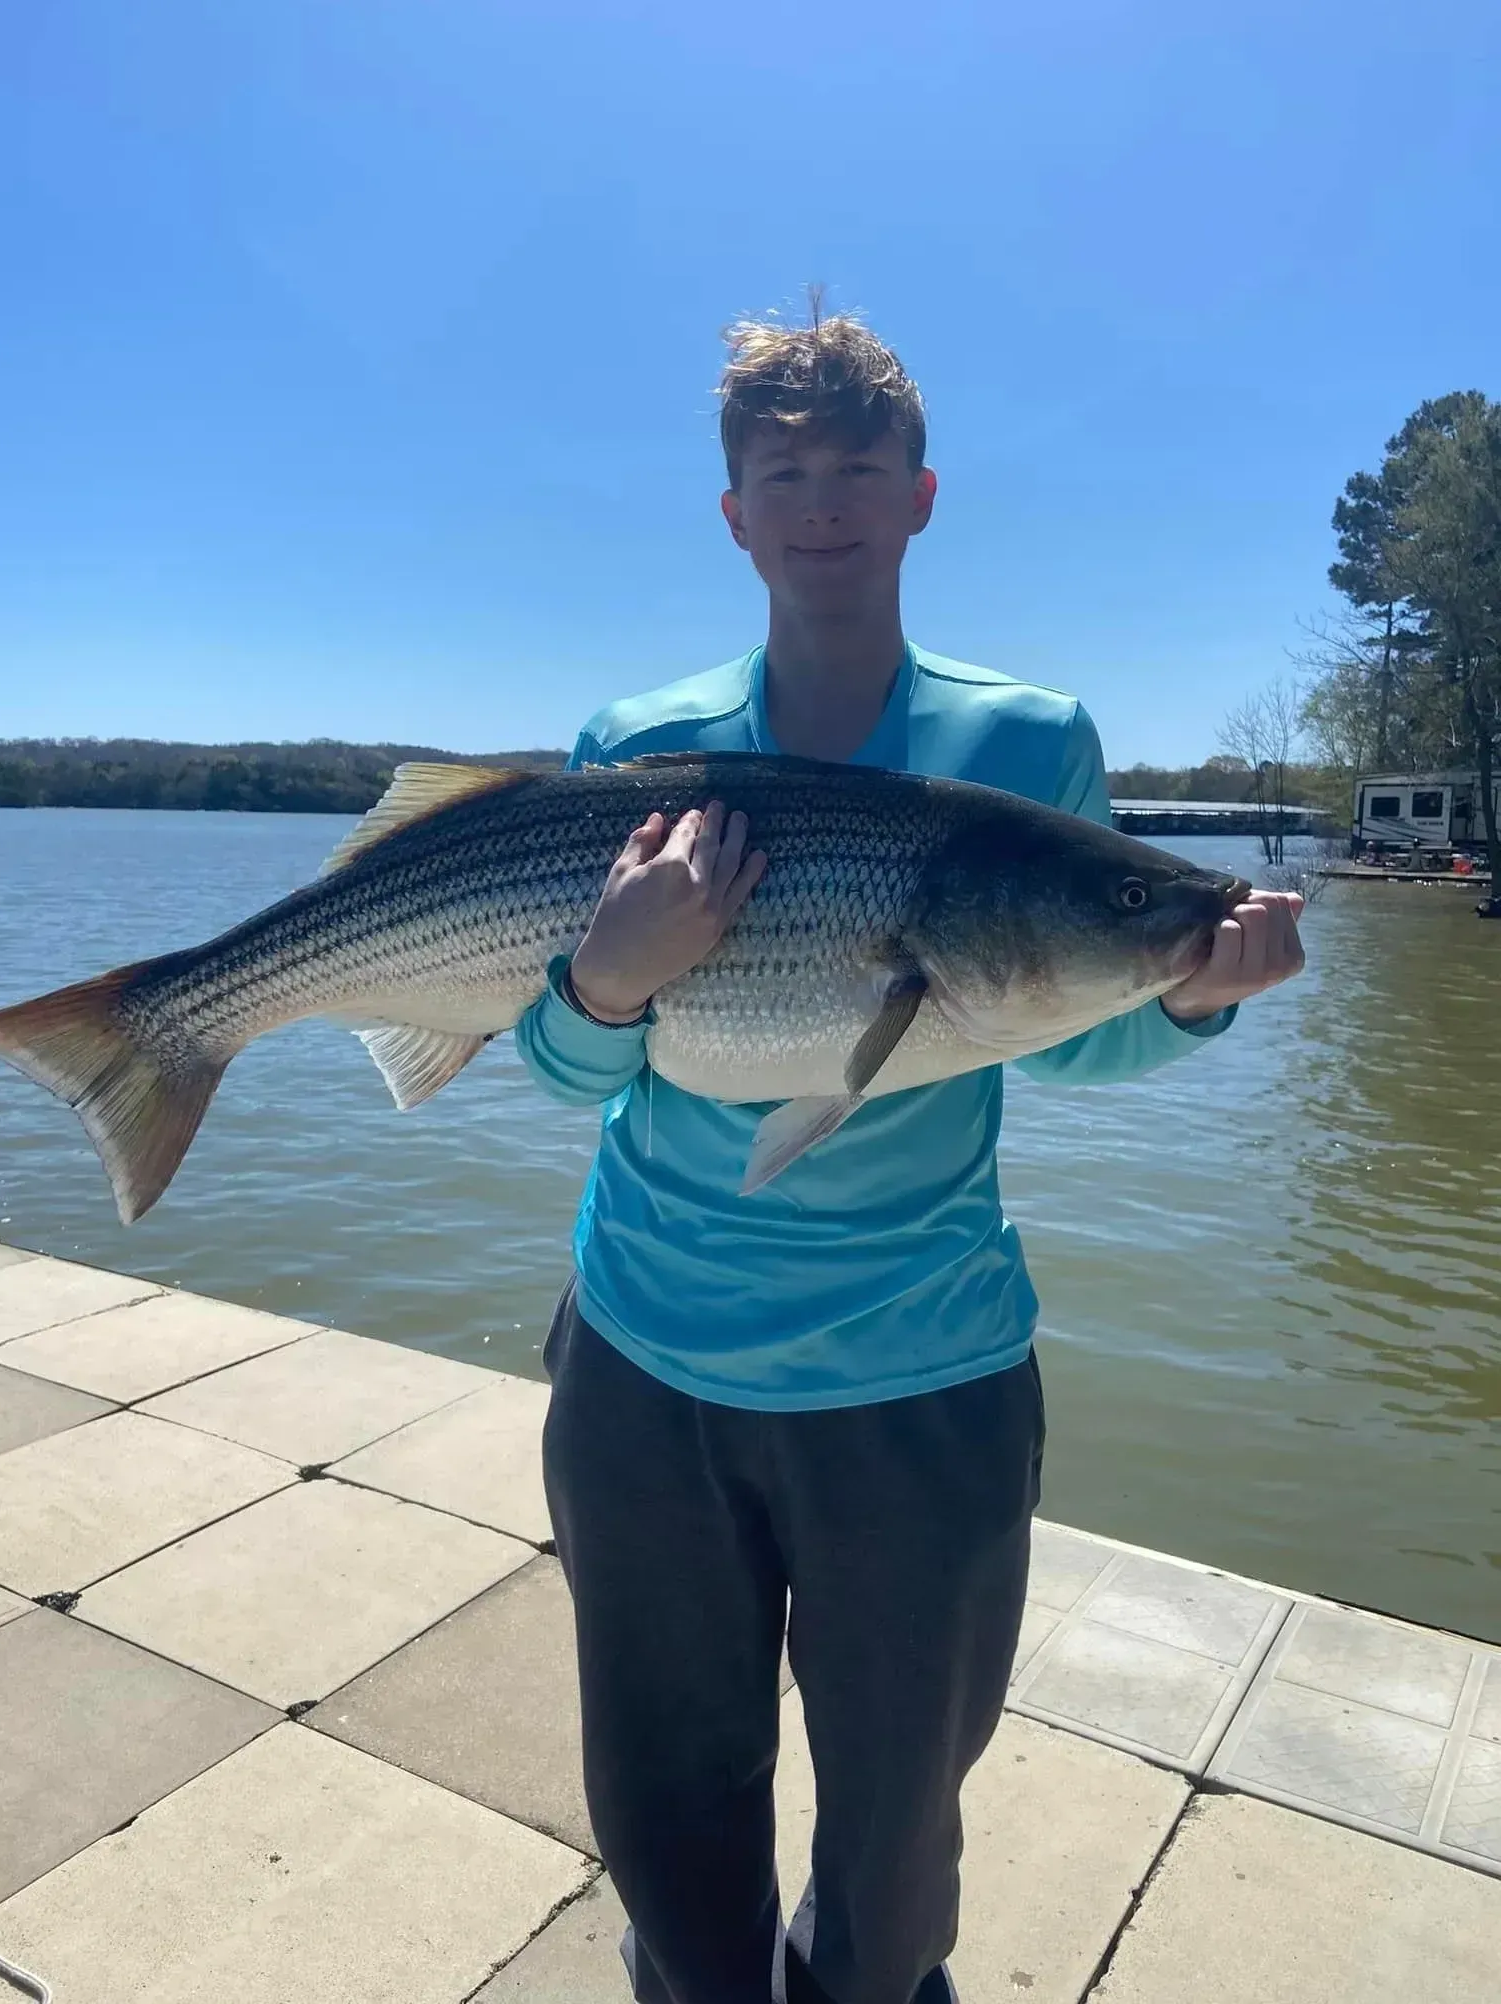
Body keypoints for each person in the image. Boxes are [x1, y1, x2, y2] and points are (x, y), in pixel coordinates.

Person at [514, 306, 1305, 2004]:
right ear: (732, 512)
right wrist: (607, 979)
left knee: (894, 1847)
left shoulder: (1028, 744)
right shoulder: (633, 742)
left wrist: (1185, 999)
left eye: (857, 469)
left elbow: (1057, 1025)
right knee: (663, 1813)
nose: (821, 502)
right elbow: (564, 1063)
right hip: (646, 1365)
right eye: (783, 471)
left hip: (921, 1379)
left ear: (922, 497)